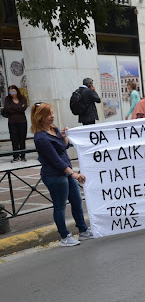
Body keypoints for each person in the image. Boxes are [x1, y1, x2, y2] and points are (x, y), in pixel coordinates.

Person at [31, 103, 93, 246]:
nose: (52, 116)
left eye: (52, 113)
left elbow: (63, 147)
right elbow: (55, 160)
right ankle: (65, 236)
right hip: (54, 175)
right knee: (60, 206)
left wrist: (64, 136)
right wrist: (73, 174)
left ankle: (83, 230)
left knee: (76, 200)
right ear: (40, 117)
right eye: (48, 114)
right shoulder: (41, 138)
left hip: (65, 172)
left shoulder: (54, 129)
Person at [2, 85, 28, 162]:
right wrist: (19, 108)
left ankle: (23, 156)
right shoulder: (7, 99)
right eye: (10, 92)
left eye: (13, 91)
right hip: (12, 122)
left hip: (22, 121)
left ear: (17, 91)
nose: (12, 93)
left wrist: (12, 108)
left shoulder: (23, 98)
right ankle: (15, 156)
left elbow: (23, 108)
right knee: (14, 139)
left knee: (22, 139)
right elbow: (7, 108)